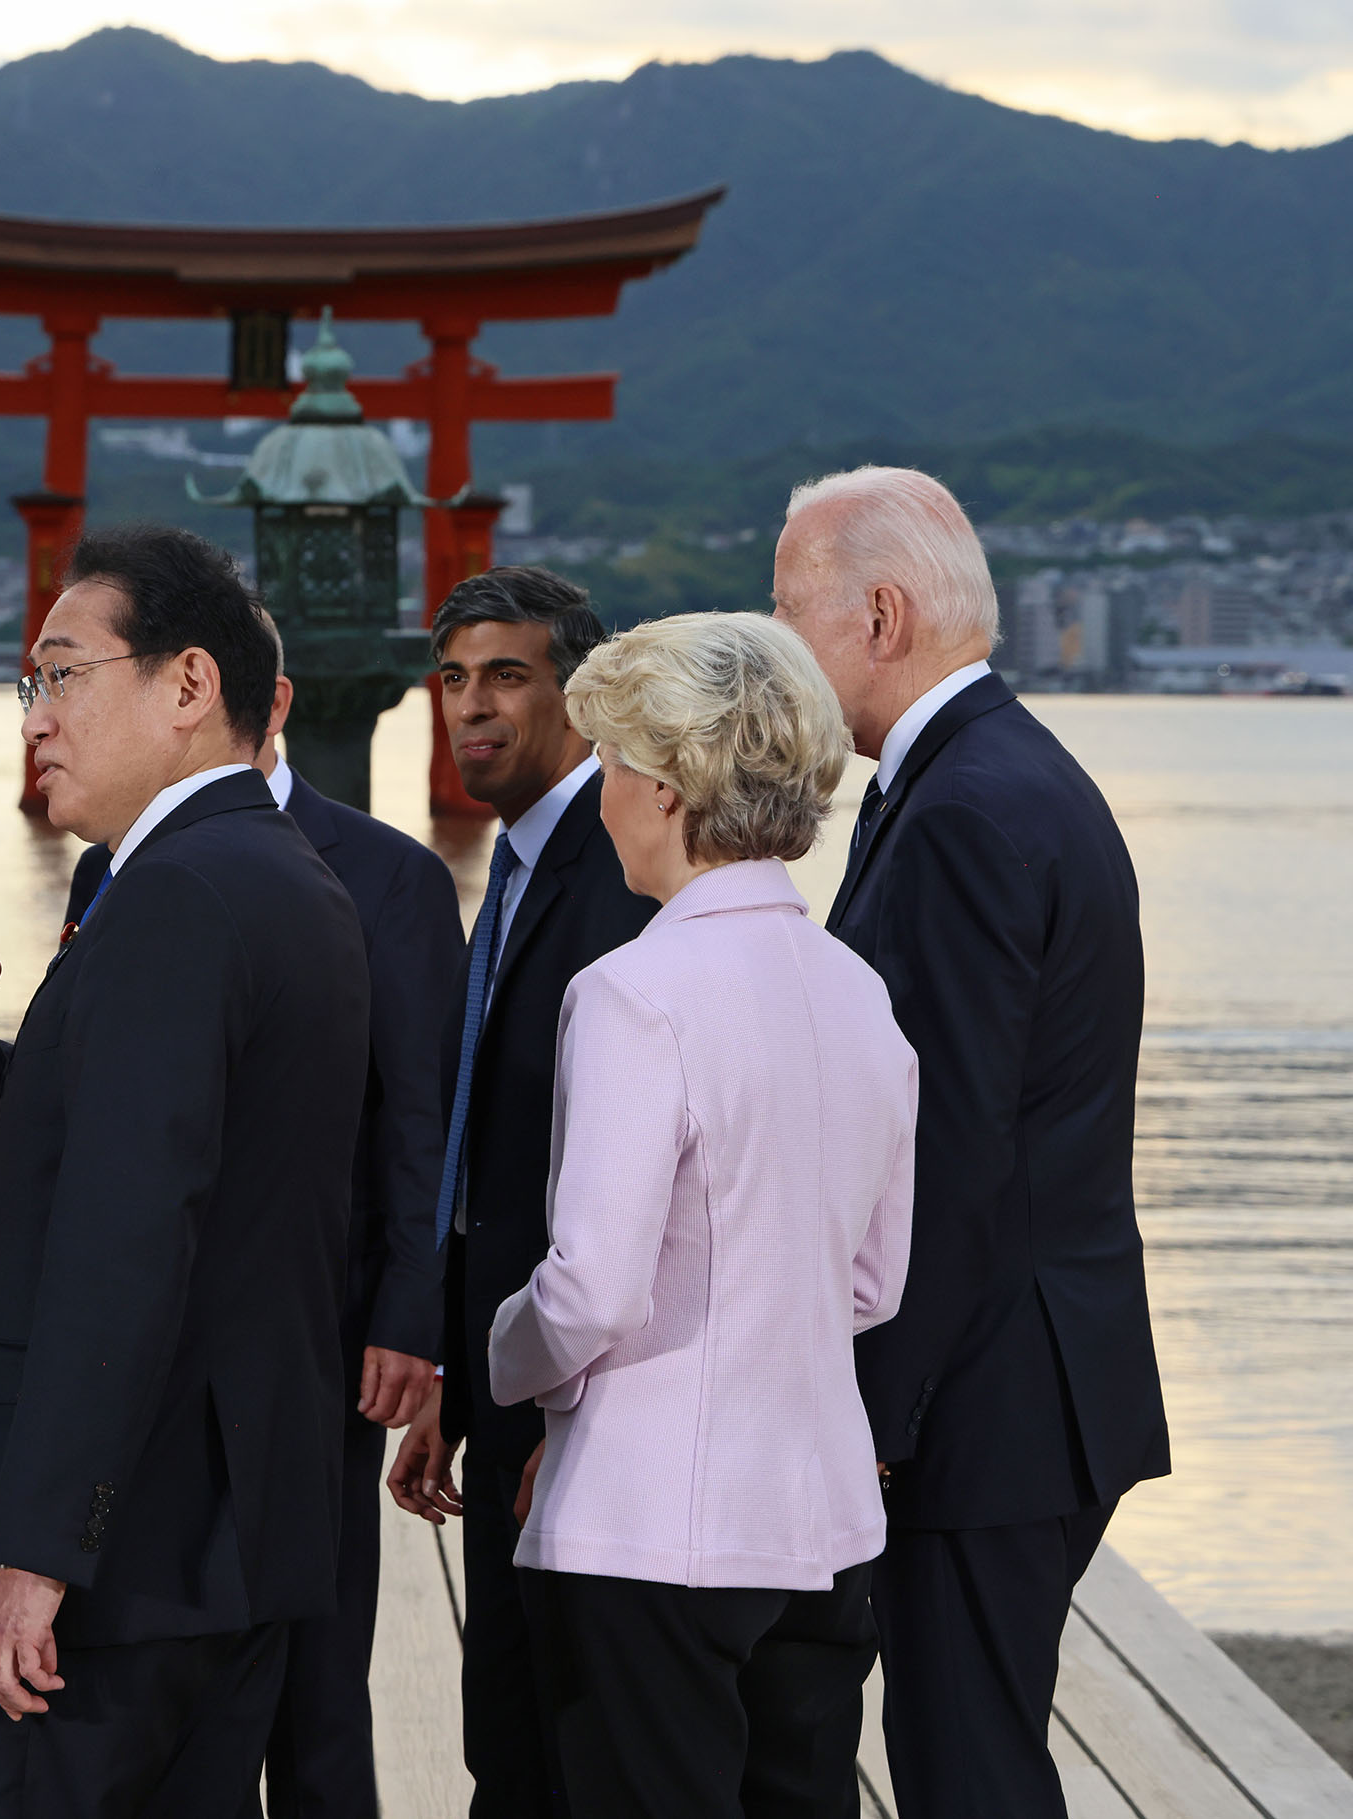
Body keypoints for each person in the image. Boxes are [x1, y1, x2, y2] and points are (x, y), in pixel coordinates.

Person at [0, 524, 368, 1814]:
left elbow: (126, 1238)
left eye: (61, 674)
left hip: (111, 1563)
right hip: (225, 1537)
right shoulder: (282, 878)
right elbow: (169, 1153)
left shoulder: (174, 896)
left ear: (188, 685)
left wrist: (38, 1550)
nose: (34, 715)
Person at [774, 466, 1167, 1819]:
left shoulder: (960, 811)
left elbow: (943, 1151)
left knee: (965, 1768)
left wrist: (870, 1412)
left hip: (991, 1387)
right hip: (1036, 1362)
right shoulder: (992, 775)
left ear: (879, 614)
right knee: (969, 1751)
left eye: (790, 612)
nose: (781, 649)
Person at [486, 611, 917, 1818]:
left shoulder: (633, 990)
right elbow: (871, 1282)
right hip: (821, 1515)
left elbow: (591, 1291)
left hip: (648, 1526)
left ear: (667, 788)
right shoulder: (854, 987)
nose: (603, 793)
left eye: (612, 766)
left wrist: (506, 1363)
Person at [62, 650, 463, 1819]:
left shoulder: (388, 873)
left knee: (318, 1677)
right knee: (182, 1670)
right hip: (164, 1334)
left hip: (322, 1331)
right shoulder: (111, 866)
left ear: (270, 703)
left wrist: (408, 1315)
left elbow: (420, 1117)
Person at [380, 567, 653, 1818]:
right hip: (506, 1383)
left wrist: (551, 1412)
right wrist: (450, 1368)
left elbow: (615, 1179)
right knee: (507, 1730)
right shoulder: (522, 861)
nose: (468, 707)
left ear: (581, 697)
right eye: (450, 679)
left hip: (584, 1411)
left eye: (505, 676)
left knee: (559, 1747)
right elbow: (482, 1159)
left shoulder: (620, 877)